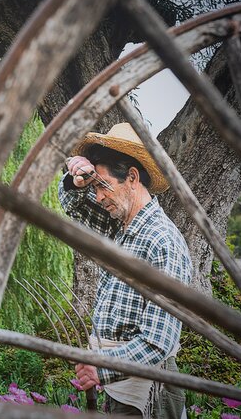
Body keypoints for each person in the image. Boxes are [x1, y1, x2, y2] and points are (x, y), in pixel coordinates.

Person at [58, 123, 193, 418]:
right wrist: (76, 180)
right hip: (120, 381)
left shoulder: (162, 242)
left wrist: (100, 366)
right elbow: (72, 205)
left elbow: (158, 342)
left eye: (102, 185)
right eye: (94, 188)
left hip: (149, 391)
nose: (97, 197)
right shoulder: (117, 226)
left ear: (131, 177)